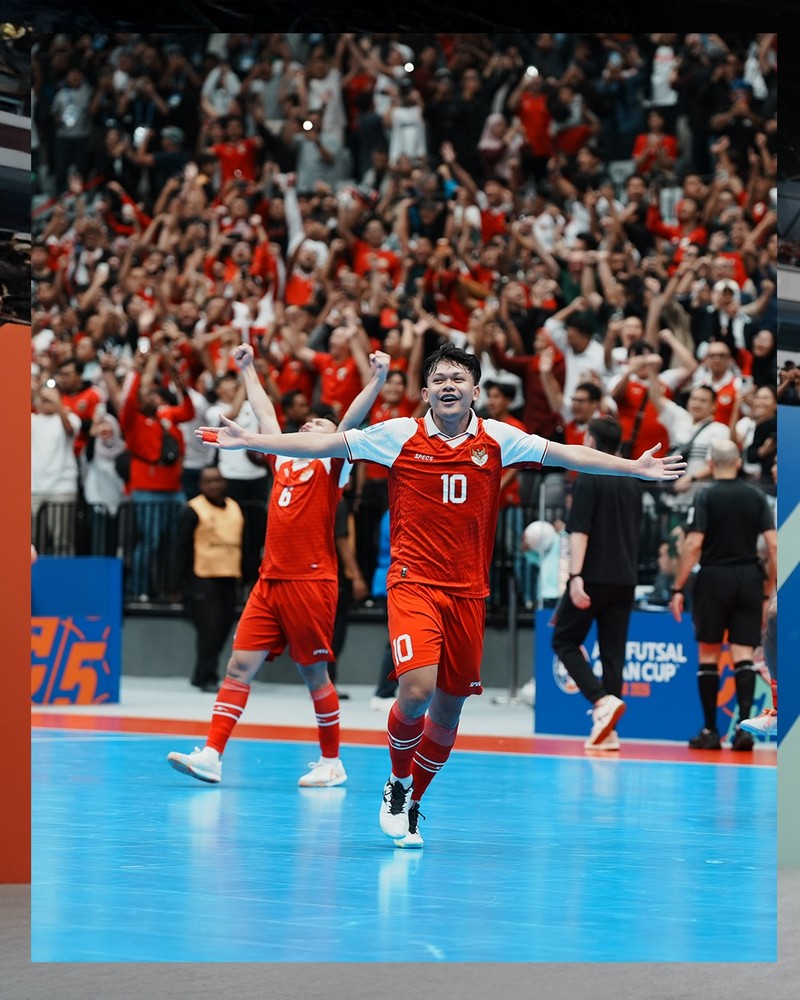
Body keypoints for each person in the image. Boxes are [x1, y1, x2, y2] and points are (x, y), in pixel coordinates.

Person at [198, 342, 685, 847]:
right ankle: (397, 780)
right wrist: (251, 439)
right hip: (414, 584)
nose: (448, 385)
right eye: (438, 379)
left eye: (458, 378)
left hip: (468, 594)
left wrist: (633, 467)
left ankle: (413, 801)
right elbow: (321, 445)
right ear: (425, 391)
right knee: (415, 691)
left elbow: (568, 454)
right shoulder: (397, 435)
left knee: (449, 713)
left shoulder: (497, 437)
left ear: (475, 390)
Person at [167, 344, 391, 787]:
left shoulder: (333, 463)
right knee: (237, 668)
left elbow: (350, 422)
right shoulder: (284, 458)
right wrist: (248, 368)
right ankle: (212, 754)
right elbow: (265, 413)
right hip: (268, 582)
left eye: (319, 423)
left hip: (311, 582)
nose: (309, 424)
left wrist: (378, 380)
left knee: (313, 675)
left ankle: (332, 762)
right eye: (308, 421)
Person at [669, 439, 777, 750]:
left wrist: (678, 586)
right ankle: (744, 730)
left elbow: (692, 544)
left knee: (709, 655)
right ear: (739, 463)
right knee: (744, 653)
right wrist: (769, 588)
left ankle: (710, 731)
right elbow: (773, 545)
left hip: (714, 576)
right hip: (748, 577)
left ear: (713, 465)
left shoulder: (706, 495)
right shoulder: (757, 496)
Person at [550, 417, 643, 751]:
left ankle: (601, 702)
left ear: (590, 440)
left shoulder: (590, 476)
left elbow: (580, 531)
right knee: (613, 653)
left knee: (563, 640)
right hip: (625, 578)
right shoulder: (633, 480)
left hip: (592, 578)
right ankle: (610, 732)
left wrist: (575, 576)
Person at [171, 467, 244, 692]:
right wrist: (177, 584)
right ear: (201, 485)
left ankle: (201, 674)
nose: (214, 485)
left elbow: (246, 545)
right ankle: (206, 676)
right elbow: (180, 549)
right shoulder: (193, 510)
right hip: (203, 578)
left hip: (229, 576)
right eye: (208, 481)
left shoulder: (235, 508)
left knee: (224, 629)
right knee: (209, 629)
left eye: (218, 480)